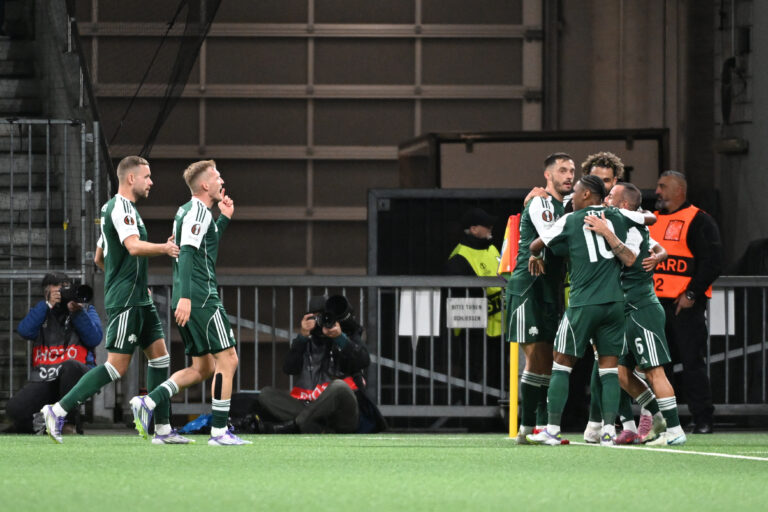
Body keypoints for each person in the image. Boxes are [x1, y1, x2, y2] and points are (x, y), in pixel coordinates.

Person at [41, 156, 185, 444]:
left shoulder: (115, 209)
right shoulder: (120, 208)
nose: (151, 182)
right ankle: (57, 410)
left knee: (160, 358)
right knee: (116, 367)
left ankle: (164, 429)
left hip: (137, 297)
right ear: (131, 178)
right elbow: (132, 247)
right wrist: (164, 248)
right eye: (147, 176)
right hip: (127, 301)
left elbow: (99, 257)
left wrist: (126, 279)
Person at [129, 160, 251, 446]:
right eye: (218, 176)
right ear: (205, 185)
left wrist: (224, 218)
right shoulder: (197, 211)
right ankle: (220, 432)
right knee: (228, 359)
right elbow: (185, 253)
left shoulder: (190, 211)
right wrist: (184, 296)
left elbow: (204, 247)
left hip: (190, 297)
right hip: (201, 297)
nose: (223, 181)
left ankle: (150, 401)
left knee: (203, 368)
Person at [525, 175, 649, 446]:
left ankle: (552, 430)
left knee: (561, 363)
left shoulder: (570, 220)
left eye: (577, 192)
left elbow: (537, 244)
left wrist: (536, 254)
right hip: (614, 305)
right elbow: (646, 218)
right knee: (609, 369)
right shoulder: (617, 215)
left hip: (583, 304)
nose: (573, 197)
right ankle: (607, 431)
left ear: (586, 195)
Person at [584, 182, 687, 445]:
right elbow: (656, 245)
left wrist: (607, 232)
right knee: (619, 371)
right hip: (623, 310)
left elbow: (630, 257)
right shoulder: (623, 221)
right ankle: (658, 417)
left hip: (642, 307)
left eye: (611, 196)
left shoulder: (627, 224)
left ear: (625, 206)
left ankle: (675, 430)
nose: (606, 199)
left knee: (655, 371)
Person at [506, 153, 573, 443]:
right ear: (548, 175)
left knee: (547, 359)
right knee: (536, 358)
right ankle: (527, 427)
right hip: (528, 288)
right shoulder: (541, 202)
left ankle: (541, 428)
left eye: (572, 170)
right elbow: (551, 237)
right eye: (562, 170)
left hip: (550, 288)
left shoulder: (566, 205)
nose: (569, 175)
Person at [649, 170, 722, 434]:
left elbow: (712, 262)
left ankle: (703, 417)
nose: (657, 191)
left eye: (662, 186)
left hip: (684, 306)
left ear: (679, 190)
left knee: (693, 363)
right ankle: (666, 420)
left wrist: (691, 294)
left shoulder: (698, 220)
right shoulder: (651, 219)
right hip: (655, 305)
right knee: (658, 366)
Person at [252, 296, 384, 434]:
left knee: (339, 386)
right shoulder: (307, 341)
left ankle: (297, 425)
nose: (321, 323)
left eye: (324, 317)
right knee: (266, 394)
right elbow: (289, 368)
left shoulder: (347, 335)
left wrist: (339, 338)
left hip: (341, 415)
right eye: (315, 319)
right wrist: (302, 336)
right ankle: (316, 427)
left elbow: (363, 361)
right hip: (310, 409)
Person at [6, 273, 102, 433]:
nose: (63, 294)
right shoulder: (41, 312)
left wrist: (76, 313)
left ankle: (68, 425)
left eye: (66, 288)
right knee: (14, 409)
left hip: (78, 377)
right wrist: (47, 305)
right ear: (47, 293)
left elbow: (94, 339)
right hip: (47, 378)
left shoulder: (85, 310)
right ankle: (41, 427)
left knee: (70, 367)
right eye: (58, 290)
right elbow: (24, 331)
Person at [445, 207, 503, 394]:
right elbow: (462, 295)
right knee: (474, 374)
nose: (490, 228)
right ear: (474, 229)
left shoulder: (492, 248)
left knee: (497, 374)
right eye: (486, 225)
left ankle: (495, 414)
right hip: (474, 330)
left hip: (498, 327)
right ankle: (475, 417)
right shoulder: (459, 256)